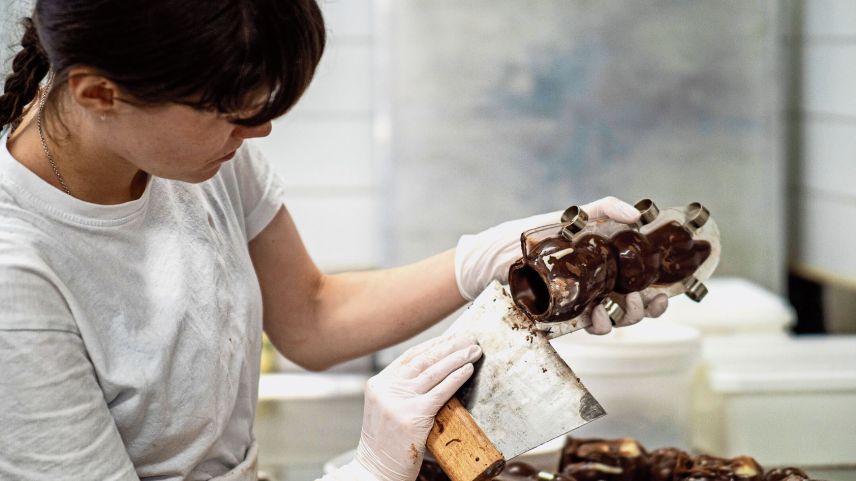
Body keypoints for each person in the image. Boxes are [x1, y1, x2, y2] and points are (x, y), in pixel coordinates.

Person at [0, 2, 668, 481]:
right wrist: (369, 471)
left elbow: (312, 316)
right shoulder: (17, 273)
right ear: (98, 93)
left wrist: (480, 261)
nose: (257, 136)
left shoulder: (199, 156)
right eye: (236, 117)